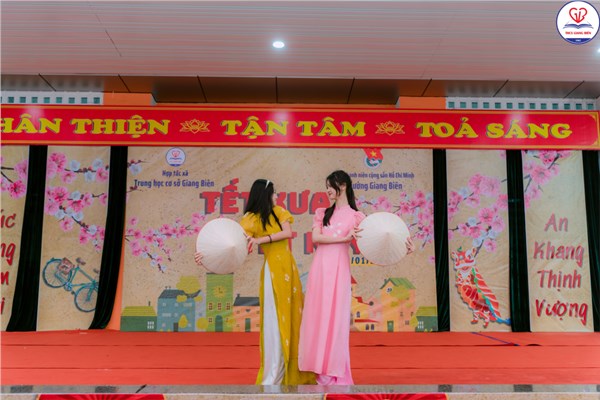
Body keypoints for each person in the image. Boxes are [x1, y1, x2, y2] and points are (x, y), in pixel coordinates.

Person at [298, 170, 414, 385]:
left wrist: (402, 248)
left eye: (330, 186)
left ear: (342, 186)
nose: (328, 191)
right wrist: (343, 239)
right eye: (326, 187)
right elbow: (316, 238)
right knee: (318, 315)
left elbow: (376, 242)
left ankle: (334, 370)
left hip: (339, 271)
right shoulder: (322, 213)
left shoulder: (356, 217)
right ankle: (318, 368)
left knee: (336, 318)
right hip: (320, 269)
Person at [195, 178, 314, 386]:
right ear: (265, 194)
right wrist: (206, 256)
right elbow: (233, 243)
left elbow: (288, 233)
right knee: (274, 317)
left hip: (287, 268)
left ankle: (291, 367)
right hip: (271, 270)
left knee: (292, 315)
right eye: (274, 193)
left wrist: (261, 239)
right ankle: (275, 368)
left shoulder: (279, 212)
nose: (276, 196)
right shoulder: (250, 219)